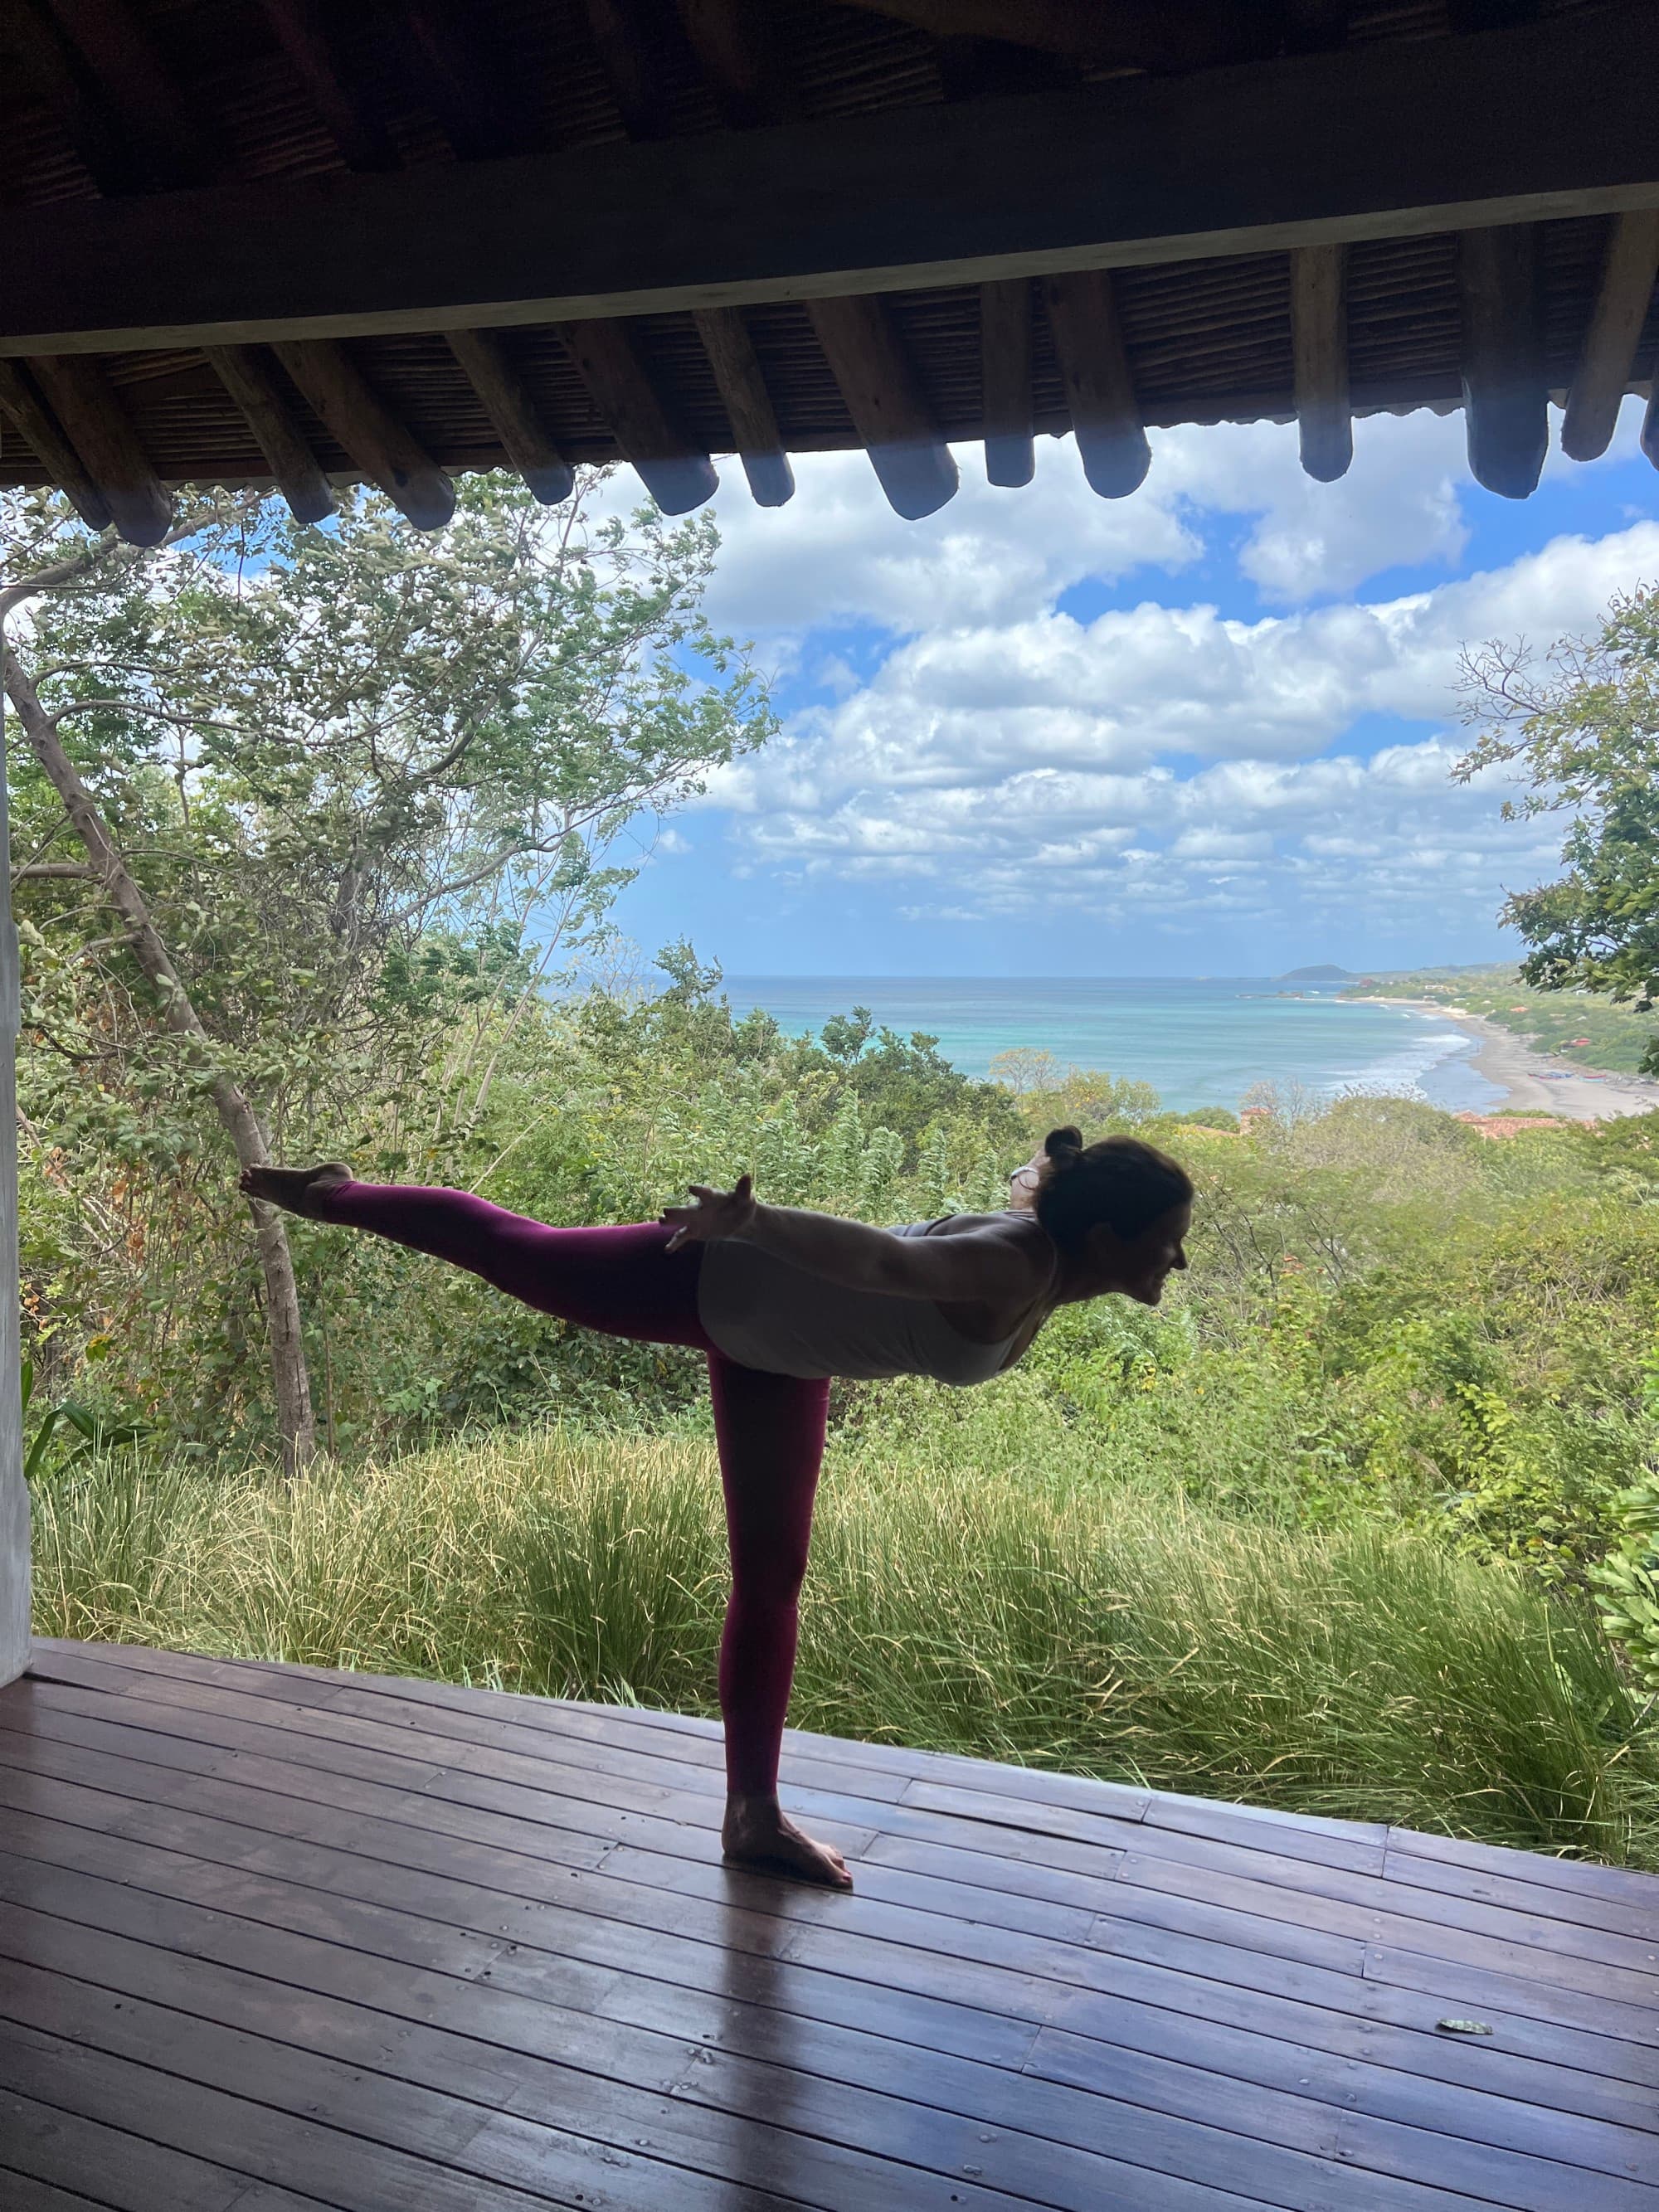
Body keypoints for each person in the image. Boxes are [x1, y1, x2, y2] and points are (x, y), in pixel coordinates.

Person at [241, 1124, 1193, 1890]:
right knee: (513, 1248)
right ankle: (335, 1195)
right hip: (718, 1283)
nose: (1179, 1259)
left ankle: (753, 1819)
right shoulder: (1015, 1266)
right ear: (1106, 1239)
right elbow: (883, 1267)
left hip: (783, 1353)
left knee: (772, 1580)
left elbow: (904, 1266)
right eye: (1167, 1239)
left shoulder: (1051, 1267)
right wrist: (754, 1223)